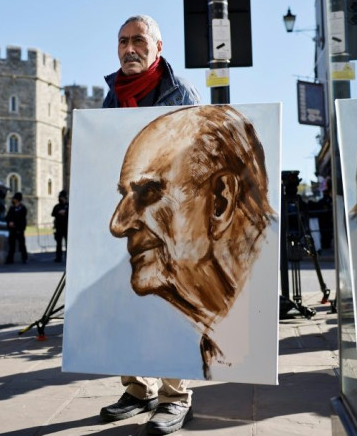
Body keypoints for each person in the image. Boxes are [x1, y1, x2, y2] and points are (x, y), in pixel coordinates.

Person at [110, 104, 276, 378]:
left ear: (220, 201)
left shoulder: (249, 321)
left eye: (149, 193)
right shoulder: (219, 333)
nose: (118, 224)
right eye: (124, 197)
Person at [99, 14, 200, 435]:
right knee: (126, 304)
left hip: (168, 218)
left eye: (138, 40)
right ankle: (138, 389)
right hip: (125, 218)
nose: (129, 49)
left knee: (169, 304)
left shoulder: (180, 92)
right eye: (123, 41)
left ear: (158, 47)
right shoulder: (111, 98)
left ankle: (175, 397)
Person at [5, 192, 28, 264]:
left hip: (19, 228)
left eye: (15, 199)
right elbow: (8, 217)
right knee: (12, 244)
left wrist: (15, 223)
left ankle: (24, 257)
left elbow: (21, 218)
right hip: (12, 229)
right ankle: (10, 259)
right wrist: (9, 222)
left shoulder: (22, 208)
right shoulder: (12, 208)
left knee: (21, 244)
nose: (13, 200)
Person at [51, 190, 68, 263]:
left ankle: (67, 257)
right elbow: (53, 213)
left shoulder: (68, 206)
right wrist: (59, 212)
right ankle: (58, 257)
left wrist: (65, 212)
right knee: (59, 243)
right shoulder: (57, 206)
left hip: (66, 227)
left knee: (68, 243)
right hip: (59, 227)